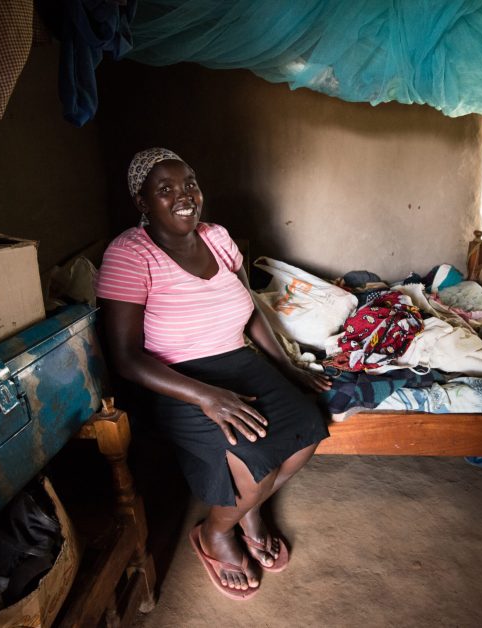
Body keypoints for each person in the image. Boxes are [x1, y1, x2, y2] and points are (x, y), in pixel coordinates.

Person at [96, 148, 331, 600]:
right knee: (256, 463)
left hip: (238, 361)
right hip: (175, 378)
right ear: (143, 201)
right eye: (165, 189)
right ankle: (215, 533)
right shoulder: (129, 254)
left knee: (307, 430)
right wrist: (206, 396)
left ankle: (246, 512)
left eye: (189, 184)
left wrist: (288, 366)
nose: (184, 196)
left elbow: (251, 309)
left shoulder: (217, 237)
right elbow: (126, 358)